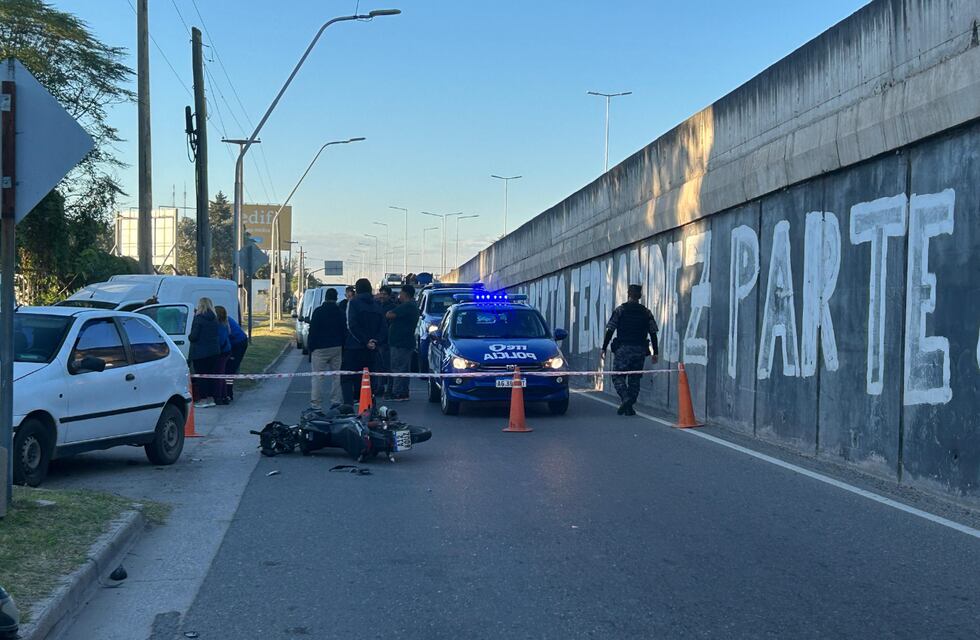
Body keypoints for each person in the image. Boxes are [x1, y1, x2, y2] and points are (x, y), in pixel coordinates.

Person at [600, 284, 659, 416]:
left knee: (617, 376)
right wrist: (656, 352)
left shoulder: (620, 310)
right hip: (640, 350)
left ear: (628, 294)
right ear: (640, 296)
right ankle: (629, 406)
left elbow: (610, 329)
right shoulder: (646, 312)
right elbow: (653, 332)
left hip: (623, 349)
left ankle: (626, 398)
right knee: (635, 378)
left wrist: (604, 348)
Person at [342, 278, 386, 405]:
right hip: (371, 350)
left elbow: (351, 325)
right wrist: (375, 342)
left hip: (354, 347)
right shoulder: (377, 305)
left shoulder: (353, 303)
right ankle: (367, 404)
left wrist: (365, 341)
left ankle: (349, 405)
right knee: (367, 378)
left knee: (347, 377)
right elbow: (383, 327)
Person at [308, 287, 346, 409]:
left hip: (319, 348)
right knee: (337, 376)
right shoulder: (340, 312)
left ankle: (316, 404)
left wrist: (311, 348)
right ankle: (336, 401)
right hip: (336, 347)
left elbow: (312, 331)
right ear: (335, 298)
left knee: (318, 377)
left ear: (325, 297)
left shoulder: (318, 312)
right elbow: (344, 330)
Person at [385, 284, 420, 401]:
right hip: (405, 342)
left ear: (405, 294)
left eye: (400, 294)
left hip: (400, 343)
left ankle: (397, 392)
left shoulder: (407, 306)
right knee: (403, 368)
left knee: (398, 368)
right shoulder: (412, 306)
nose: (399, 296)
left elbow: (389, 314)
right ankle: (403, 392)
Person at [188, 297, 222, 408]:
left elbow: (193, 336)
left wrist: (189, 336)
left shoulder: (198, 319)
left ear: (200, 305)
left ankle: (203, 399)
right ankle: (211, 398)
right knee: (210, 376)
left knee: (201, 377)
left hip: (200, 353)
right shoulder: (215, 319)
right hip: (214, 352)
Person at [376, 285, 397, 397]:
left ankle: (389, 389)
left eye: (385, 294)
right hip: (378, 341)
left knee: (389, 367)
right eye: (381, 293)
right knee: (379, 366)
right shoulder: (377, 305)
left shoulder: (393, 307)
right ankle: (379, 387)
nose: (382, 296)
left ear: (389, 295)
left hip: (388, 341)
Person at [224, 314, 249, 401]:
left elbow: (225, 337)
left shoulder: (222, 321)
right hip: (238, 342)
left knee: (230, 369)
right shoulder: (225, 317)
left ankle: (229, 393)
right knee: (229, 369)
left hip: (238, 344)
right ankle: (227, 392)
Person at [214, 306, 233, 405]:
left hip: (222, 352)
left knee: (219, 375)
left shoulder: (219, 325)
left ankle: (219, 396)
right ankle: (224, 395)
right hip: (226, 350)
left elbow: (221, 340)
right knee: (222, 374)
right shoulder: (225, 323)